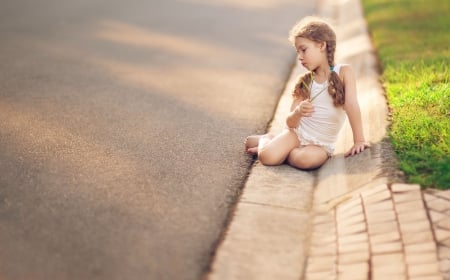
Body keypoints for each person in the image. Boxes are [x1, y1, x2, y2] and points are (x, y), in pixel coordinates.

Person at [244, 16, 370, 170]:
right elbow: (290, 123)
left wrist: (359, 140)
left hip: (321, 145)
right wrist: (298, 112)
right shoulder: (305, 81)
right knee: (267, 157)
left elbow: (351, 105)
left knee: (304, 160)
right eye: (298, 52)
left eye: (304, 50)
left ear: (322, 45)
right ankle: (267, 139)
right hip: (297, 135)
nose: (300, 57)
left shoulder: (344, 72)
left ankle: (277, 145)